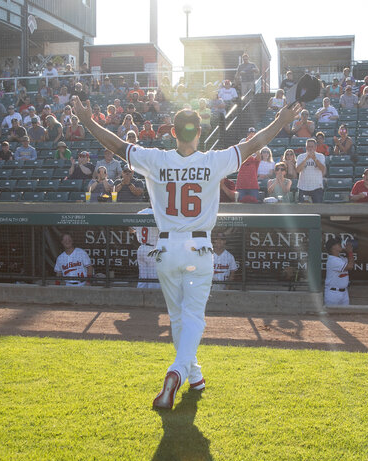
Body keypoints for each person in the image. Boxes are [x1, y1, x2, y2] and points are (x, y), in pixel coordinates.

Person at [68, 92, 300, 409]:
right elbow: (253, 145)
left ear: (174, 132)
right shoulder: (212, 160)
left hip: (165, 246)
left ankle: (195, 375)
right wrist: (282, 119)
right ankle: (177, 371)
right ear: (200, 132)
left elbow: (118, 147)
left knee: (178, 317)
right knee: (193, 317)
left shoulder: (157, 159)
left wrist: (85, 119)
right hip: (199, 244)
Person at [323, 237, 354, 306]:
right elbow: (350, 266)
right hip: (333, 293)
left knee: (345, 315)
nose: (340, 244)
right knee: (332, 316)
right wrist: (350, 252)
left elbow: (350, 262)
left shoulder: (341, 258)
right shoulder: (332, 260)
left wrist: (348, 251)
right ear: (332, 247)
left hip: (344, 292)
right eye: (337, 244)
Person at [295, 138, 327, 204]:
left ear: (315, 147)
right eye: (308, 146)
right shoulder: (300, 157)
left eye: (312, 146)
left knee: (318, 209)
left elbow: (323, 169)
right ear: (306, 147)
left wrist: (314, 158)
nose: (310, 148)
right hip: (303, 186)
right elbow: (298, 170)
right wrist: (306, 159)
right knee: (302, 210)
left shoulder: (320, 156)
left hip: (317, 187)